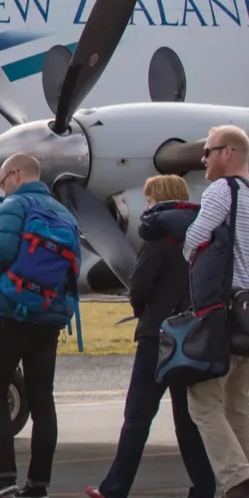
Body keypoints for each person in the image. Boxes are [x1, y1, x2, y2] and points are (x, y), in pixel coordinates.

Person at [86, 174, 216, 498]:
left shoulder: (159, 237)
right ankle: (205, 487)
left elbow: (139, 284)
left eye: (148, 200)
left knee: (137, 418)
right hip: (195, 336)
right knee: (188, 421)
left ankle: (115, 488)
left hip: (158, 337)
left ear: (158, 199)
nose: (146, 205)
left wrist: (141, 308)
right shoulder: (205, 234)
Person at [0, 153, 80, 498]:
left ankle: (3, 478)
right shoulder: (65, 214)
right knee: (42, 399)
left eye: (2, 181)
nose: (2, 189)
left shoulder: (16, 204)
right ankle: (39, 484)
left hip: (8, 313)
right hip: (48, 317)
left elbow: (1, 254)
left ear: (15, 175)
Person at [182, 125, 249, 498]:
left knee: (204, 402)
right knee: (239, 404)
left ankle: (237, 479)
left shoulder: (223, 191)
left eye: (208, 151)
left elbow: (194, 240)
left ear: (228, 153)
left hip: (225, 314)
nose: (202, 159)